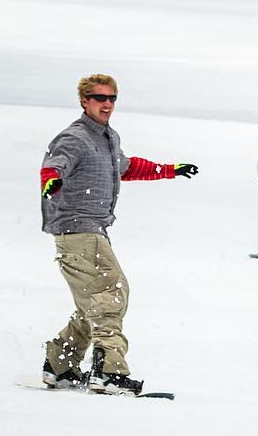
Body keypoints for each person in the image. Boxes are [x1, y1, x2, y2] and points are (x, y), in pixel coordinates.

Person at [40, 73, 197, 394]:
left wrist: (170, 170)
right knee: (110, 294)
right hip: (78, 228)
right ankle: (108, 371)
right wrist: (51, 180)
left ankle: (60, 365)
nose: (107, 104)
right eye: (100, 98)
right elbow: (55, 165)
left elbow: (125, 167)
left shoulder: (106, 138)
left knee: (95, 300)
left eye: (112, 98)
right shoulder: (75, 138)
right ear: (84, 101)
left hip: (92, 230)